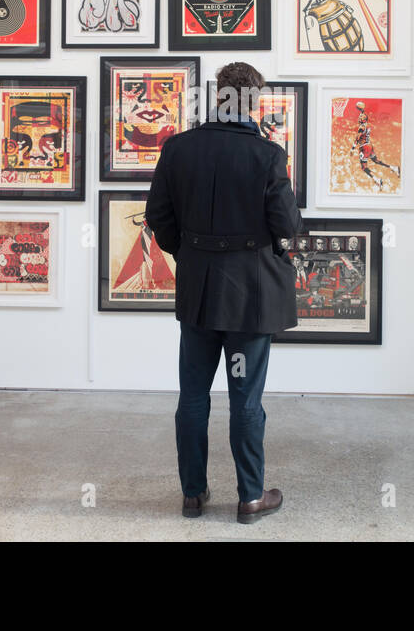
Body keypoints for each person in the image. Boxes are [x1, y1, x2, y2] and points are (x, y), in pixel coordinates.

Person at [145, 61, 302, 524]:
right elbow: (288, 226)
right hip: (250, 297)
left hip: (198, 290)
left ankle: (193, 495)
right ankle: (250, 499)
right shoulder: (268, 155)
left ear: (218, 96)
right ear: (254, 100)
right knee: (245, 400)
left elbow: (159, 217)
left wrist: (190, 252)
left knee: (193, 396)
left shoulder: (178, 148)